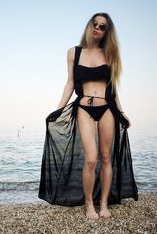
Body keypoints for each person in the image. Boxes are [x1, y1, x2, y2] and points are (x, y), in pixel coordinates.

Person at [38, 12, 138, 219]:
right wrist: (58, 109)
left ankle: (103, 204)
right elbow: (69, 83)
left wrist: (121, 111)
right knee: (91, 159)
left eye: (102, 27)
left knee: (106, 157)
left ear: (106, 32)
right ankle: (88, 204)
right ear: (89, 25)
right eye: (95, 24)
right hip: (84, 108)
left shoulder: (110, 54)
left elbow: (113, 88)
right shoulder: (73, 53)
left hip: (107, 108)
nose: (97, 29)